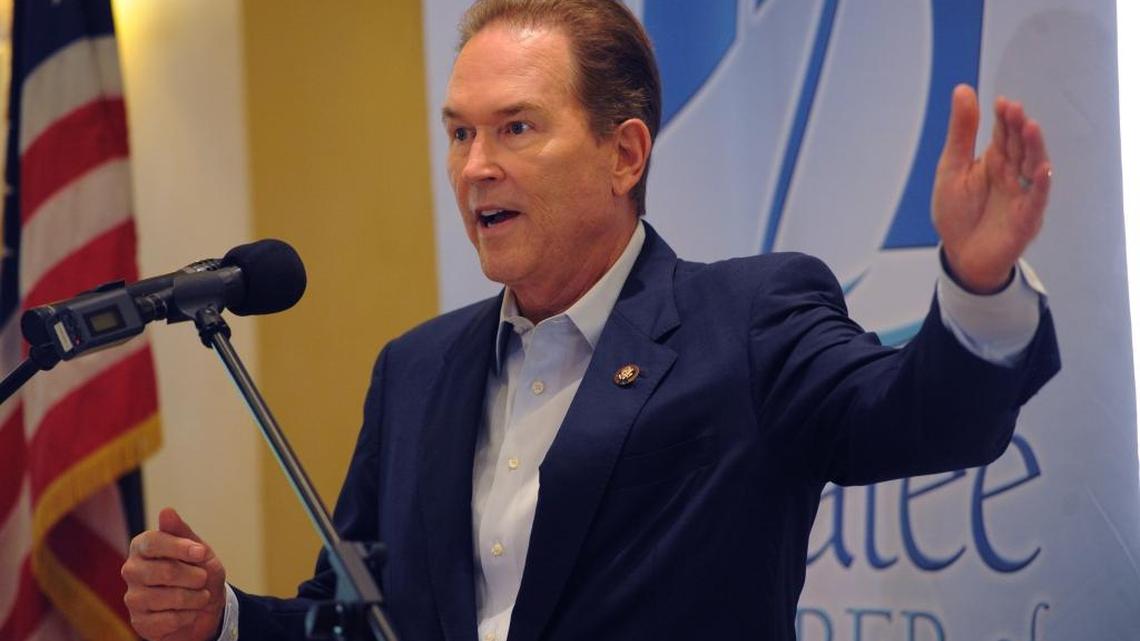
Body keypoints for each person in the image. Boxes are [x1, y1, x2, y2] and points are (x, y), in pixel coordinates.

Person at [121, 1, 1060, 640]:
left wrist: (976, 286)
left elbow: (926, 416)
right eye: (459, 131)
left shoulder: (748, 319)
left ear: (625, 153)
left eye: (516, 127)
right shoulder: (414, 370)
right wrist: (225, 618)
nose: (475, 166)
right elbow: (360, 615)